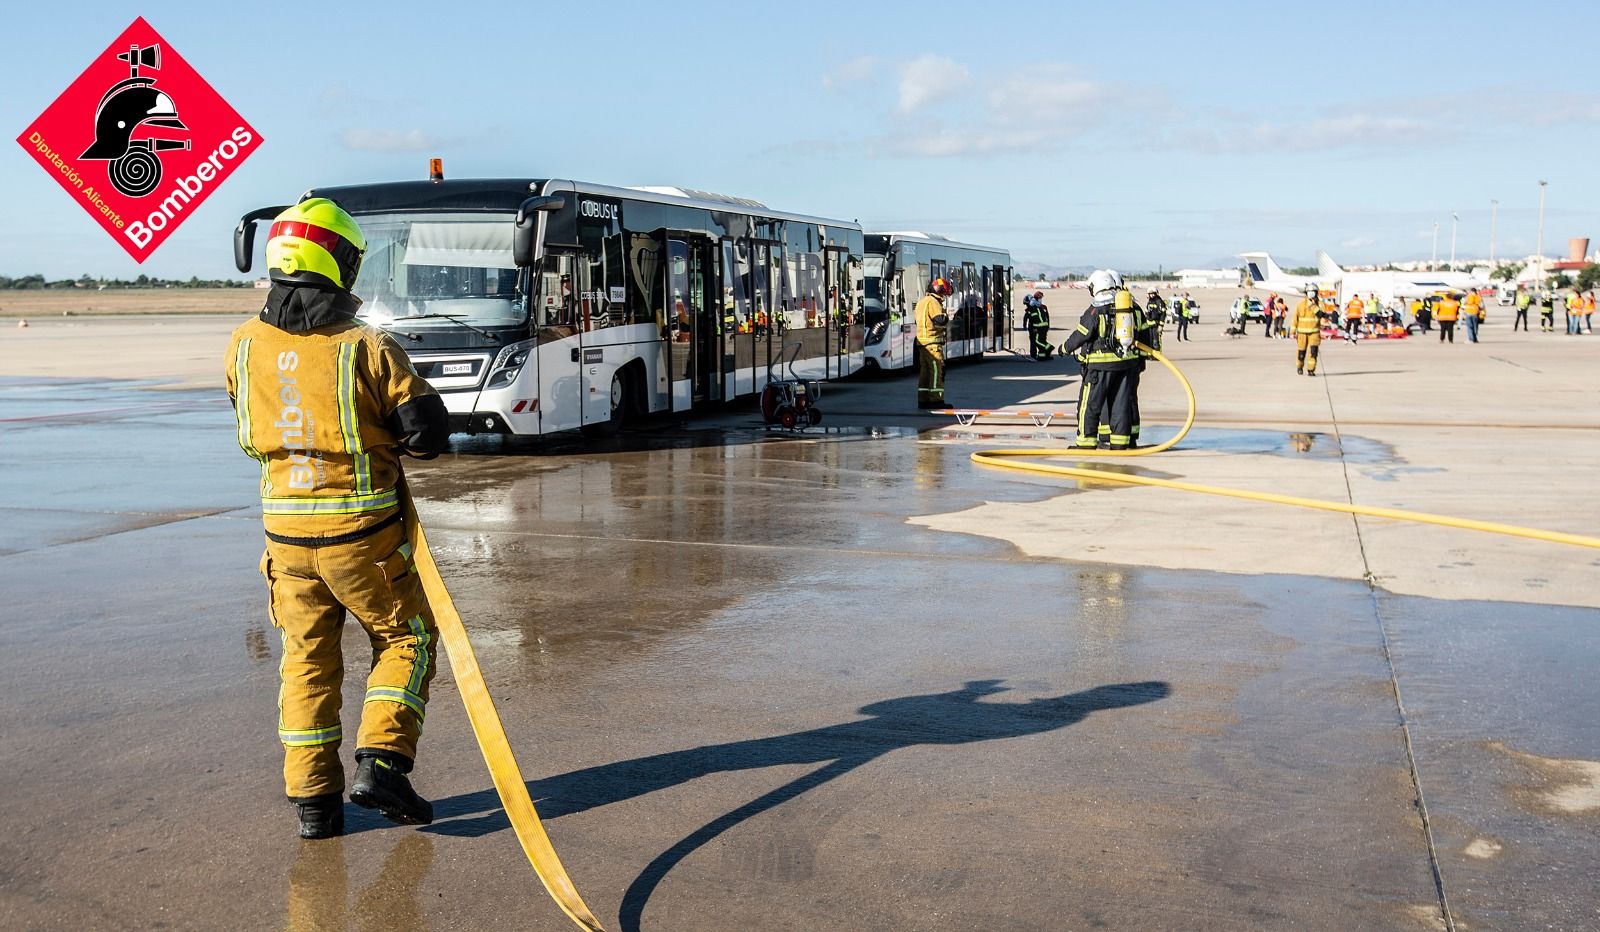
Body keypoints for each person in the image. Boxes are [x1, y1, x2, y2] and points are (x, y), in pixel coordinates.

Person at [226, 198, 450, 840]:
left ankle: (314, 805)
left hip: (285, 543)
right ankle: (382, 762)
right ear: (340, 264)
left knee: (306, 662)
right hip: (365, 541)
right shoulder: (368, 347)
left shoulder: (242, 345)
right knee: (407, 640)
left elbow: (249, 436)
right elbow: (426, 434)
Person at [1061, 269, 1155, 450]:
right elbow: (1145, 335)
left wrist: (1063, 348)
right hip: (1125, 365)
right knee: (1121, 405)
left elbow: (1081, 335)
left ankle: (1085, 443)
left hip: (1099, 368)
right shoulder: (1128, 309)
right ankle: (1120, 444)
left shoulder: (1095, 310)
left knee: (1089, 405)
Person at [916, 276, 953, 408]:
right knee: (937, 371)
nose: (944, 296)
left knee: (925, 372)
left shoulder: (922, 302)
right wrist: (947, 315)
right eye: (944, 293)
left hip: (922, 343)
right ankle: (936, 400)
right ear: (939, 290)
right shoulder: (933, 302)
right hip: (932, 343)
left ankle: (923, 399)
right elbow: (940, 320)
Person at [1290, 288, 1326, 375]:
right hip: (1302, 332)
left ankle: (1311, 370)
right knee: (1301, 352)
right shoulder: (1301, 304)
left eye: (1313, 292)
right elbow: (1295, 318)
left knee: (1313, 352)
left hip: (1314, 332)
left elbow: (1322, 315)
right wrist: (1292, 332)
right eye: (1309, 292)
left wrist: (1313, 306)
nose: (1311, 293)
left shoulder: (1320, 304)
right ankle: (1299, 366)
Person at [1023, 290, 1052, 361]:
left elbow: (1028, 318)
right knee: (1041, 341)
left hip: (1035, 328)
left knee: (1036, 342)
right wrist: (1047, 326)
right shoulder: (1041, 307)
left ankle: (1037, 355)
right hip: (1042, 327)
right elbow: (1046, 318)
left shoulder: (1032, 309)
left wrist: (1025, 326)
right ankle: (1043, 356)